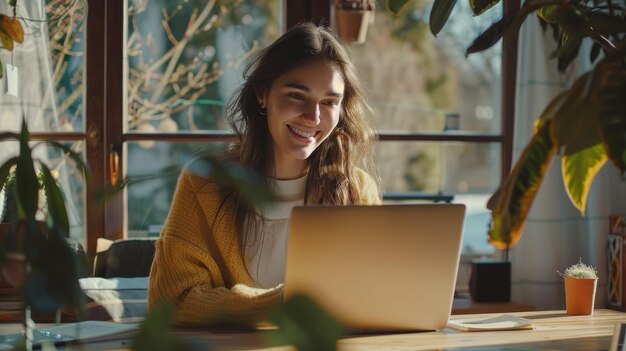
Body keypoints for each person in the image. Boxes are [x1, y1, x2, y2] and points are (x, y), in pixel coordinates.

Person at [148, 22, 381, 326]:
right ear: (262, 93)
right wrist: (283, 303)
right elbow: (172, 302)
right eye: (297, 95)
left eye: (329, 102)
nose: (313, 117)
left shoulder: (357, 188)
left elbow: (376, 291)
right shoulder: (204, 184)